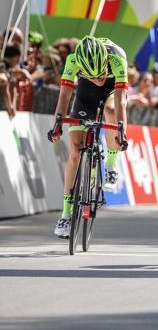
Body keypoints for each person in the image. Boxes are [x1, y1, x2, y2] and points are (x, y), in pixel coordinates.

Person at [48, 36, 129, 238]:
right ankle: (66, 214)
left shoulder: (117, 58)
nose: (99, 77)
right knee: (75, 152)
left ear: (106, 62)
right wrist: (57, 124)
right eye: (93, 75)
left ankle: (110, 165)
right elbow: (65, 96)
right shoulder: (73, 60)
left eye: (102, 72)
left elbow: (120, 104)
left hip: (112, 92)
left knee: (111, 110)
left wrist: (122, 131)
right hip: (86, 94)